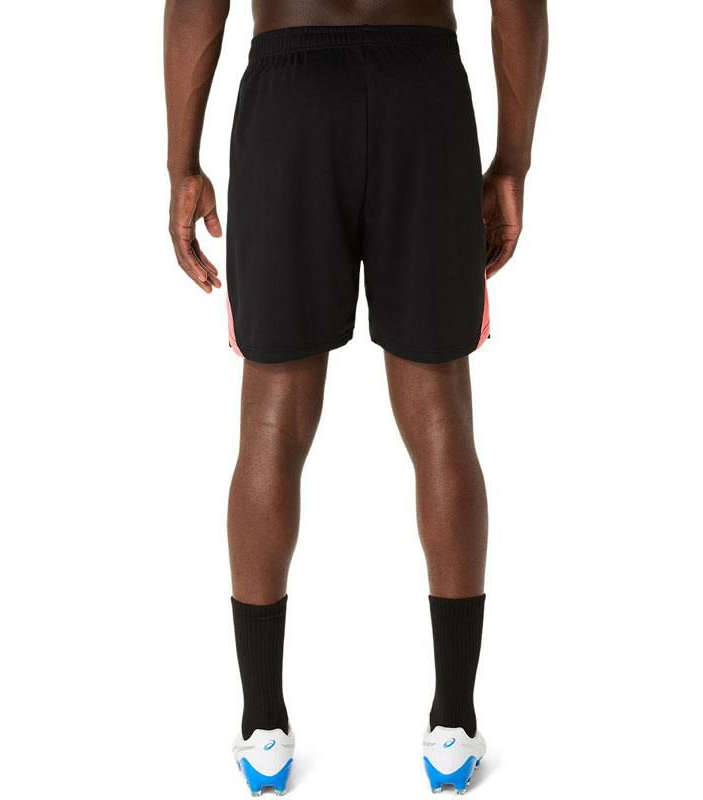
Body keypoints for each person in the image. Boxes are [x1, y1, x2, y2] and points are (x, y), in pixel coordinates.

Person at [164, 0, 547, 794]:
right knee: (440, 413)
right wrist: (512, 160)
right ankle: (454, 725)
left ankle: (263, 729)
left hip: (291, 90)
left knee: (271, 419)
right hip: (423, 90)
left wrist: (181, 165)